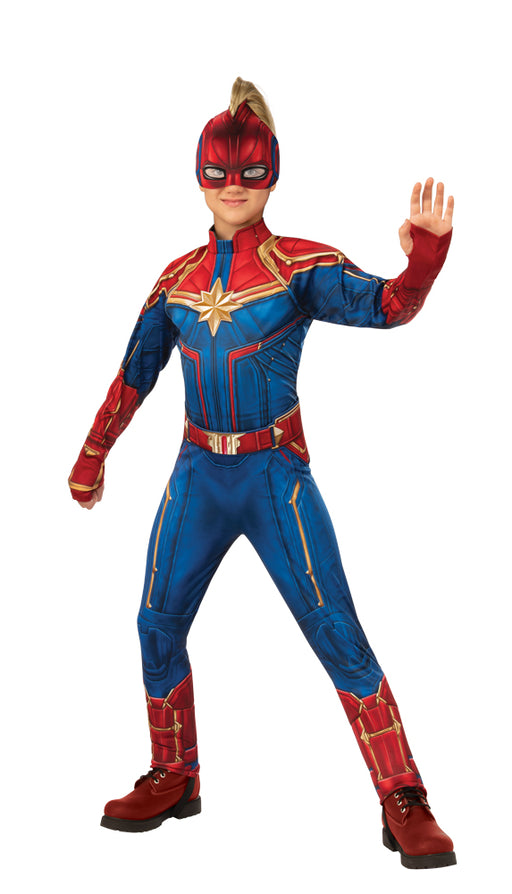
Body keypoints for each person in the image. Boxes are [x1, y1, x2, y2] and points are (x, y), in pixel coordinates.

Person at [69, 78, 455, 869]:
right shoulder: (176, 279)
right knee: (155, 624)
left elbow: (386, 307)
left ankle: (403, 796)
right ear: (199, 175)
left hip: (274, 476)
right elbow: (135, 372)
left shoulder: (298, 267)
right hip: (198, 474)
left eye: (249, 172)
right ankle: (175, 774)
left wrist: (424, 262)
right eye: (218, 172)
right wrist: (93, 451)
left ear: (272, 175)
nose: (234, 186)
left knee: (337, 631)